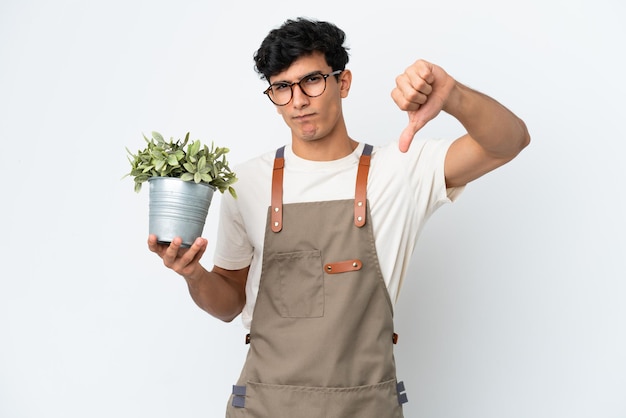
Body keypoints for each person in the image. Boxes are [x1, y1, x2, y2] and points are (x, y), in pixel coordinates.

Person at [147, 17, 529, 418]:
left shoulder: (400, 170)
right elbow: (228, 303)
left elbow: (509, 141)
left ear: (342, 82)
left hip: (365, 409)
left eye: (311, 80)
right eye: (282, 88)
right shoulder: (247, 182)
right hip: (264, 407)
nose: (298, 100)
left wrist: (452, 95)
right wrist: (194, 274)